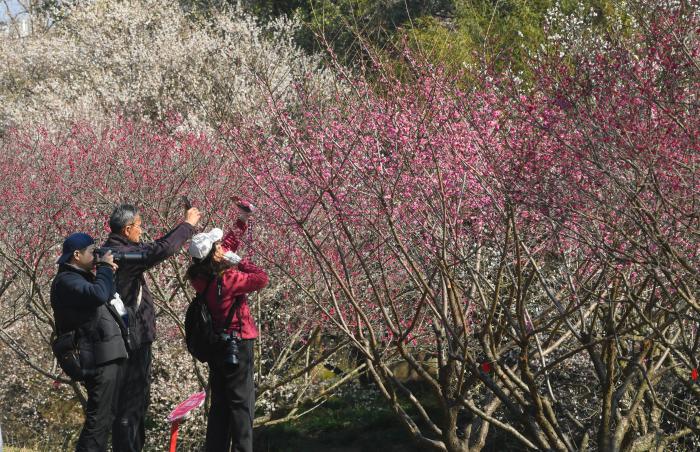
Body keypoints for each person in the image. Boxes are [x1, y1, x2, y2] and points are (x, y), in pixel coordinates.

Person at [103, 203, 201, 452]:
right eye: (139, 225)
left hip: (120, 340)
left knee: (129, 405)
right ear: (127, 229)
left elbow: (156, 246)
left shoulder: (111, 251)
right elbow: (161, 250)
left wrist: (182, 226)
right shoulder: (124, 256)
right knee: (131, 404)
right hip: (133, 340)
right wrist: (188, 225)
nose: (142, 230)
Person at [186, 202, 268, 452]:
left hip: (218, 347)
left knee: (220, 406)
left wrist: (241, 220)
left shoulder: (199, 276)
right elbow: (261, 278)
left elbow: (224, 247)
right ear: (215, 255)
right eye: (218, 246)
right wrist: (239, 261)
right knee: (242, 406)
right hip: (238, 345)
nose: (223, 247)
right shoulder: (229, 279)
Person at [51, 233, 126, 452]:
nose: (96, 255)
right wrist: (104, 268)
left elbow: (108, 297)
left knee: (104, 418)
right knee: (98, 420)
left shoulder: (81, 277)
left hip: (105, 352)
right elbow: (98, 295)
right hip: (96, 357)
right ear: (76, 255)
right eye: (92, 251)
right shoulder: (66, 281)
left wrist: (108, 272)